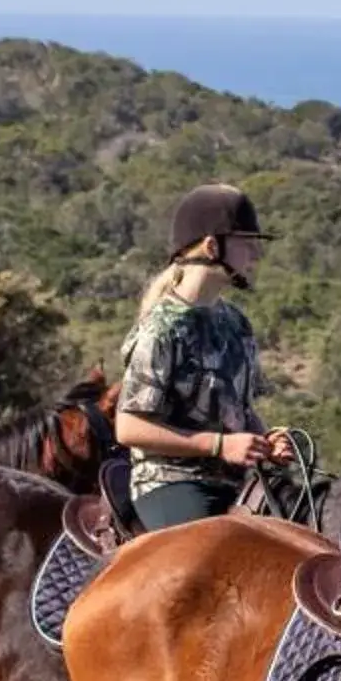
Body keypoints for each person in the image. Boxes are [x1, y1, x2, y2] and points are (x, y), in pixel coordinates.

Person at [114, 183, 298, 531]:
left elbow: (241, 410)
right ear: (213, 247)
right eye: (247, 244)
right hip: (172, 484)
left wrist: (266, 442)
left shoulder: (237, 324)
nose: (255, 256)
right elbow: (128, 427)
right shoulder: (161, 328)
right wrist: (218, 445)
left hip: (235, 481)